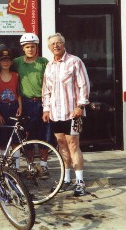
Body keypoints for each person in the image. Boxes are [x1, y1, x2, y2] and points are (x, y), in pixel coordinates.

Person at [42, 32, 90, 196]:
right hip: (55, 114)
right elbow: (46, 91)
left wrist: (81, 106)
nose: (55, 46)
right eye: (52, 44)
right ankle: (67, 179)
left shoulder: (74, 62)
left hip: (72, 113)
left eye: (58, 43)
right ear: (49, 48)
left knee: (73, 145)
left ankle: (80, 182)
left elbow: (84, 85)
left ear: (64, 44)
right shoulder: (49, 66)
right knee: (61, 145)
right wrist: (46, 109)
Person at [13, 33, 50, 178]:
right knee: (26, 137)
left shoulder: (43, 62)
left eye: (33, 47)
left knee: (44, 136)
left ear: (37, 48)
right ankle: (30, 166)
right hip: (26, 103)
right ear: (23, 48)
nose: (30, 49)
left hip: (42, 102)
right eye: (27, 47)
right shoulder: (17, 62)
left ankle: (44, 166)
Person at [0, 46, 22, 163]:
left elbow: (18, 93)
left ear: (11, 62)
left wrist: (20, 106)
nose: (5, 63)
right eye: (3, 60)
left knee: (15, 137)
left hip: (14, 107)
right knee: (2, 139)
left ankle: (16, 166)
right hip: (1, 107)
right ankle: (3, 164)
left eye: (8, 60)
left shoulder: (16, 76)